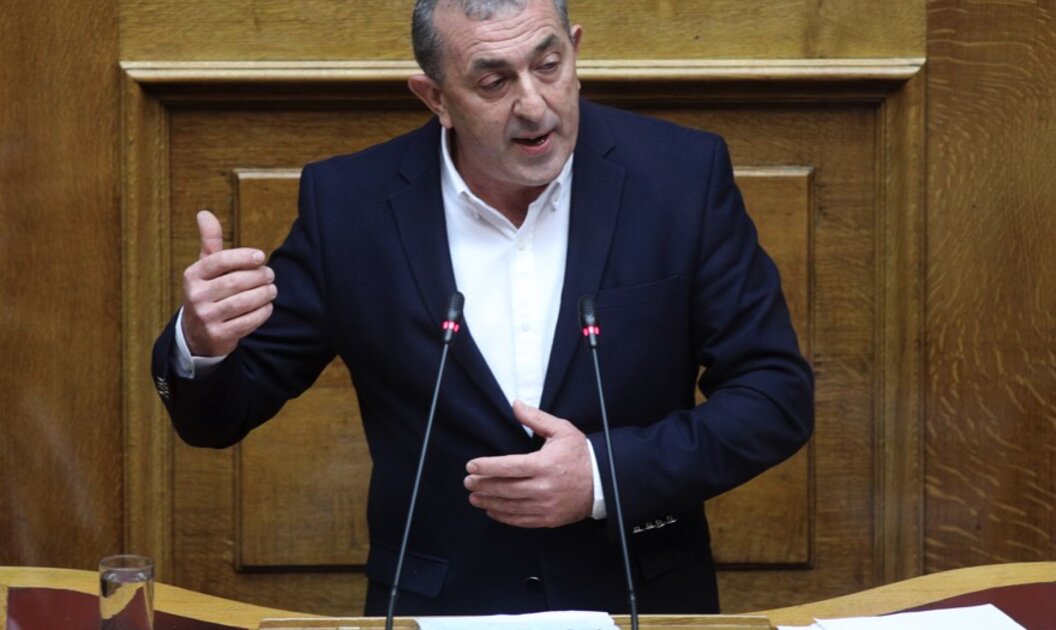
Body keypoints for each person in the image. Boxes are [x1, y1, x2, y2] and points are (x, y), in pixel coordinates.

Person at [151, 0, 814, 617]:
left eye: (548, 65)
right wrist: (202, 344)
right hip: (439, 608)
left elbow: (774, 394)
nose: (534, 105)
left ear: (575, 50)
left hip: (640, 598)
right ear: (435, 97)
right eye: (494, 82)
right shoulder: (351, 205)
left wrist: (603, 474)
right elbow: (220, 416)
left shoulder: (679, 177)